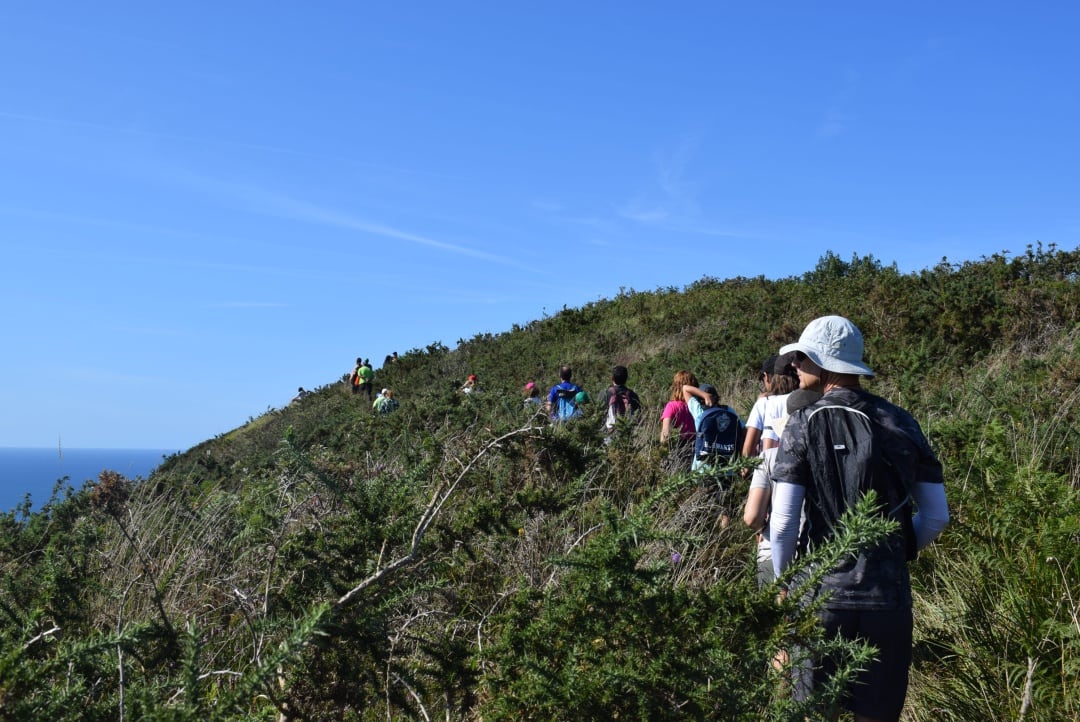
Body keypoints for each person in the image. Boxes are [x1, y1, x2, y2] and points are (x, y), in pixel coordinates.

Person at [769, 316, 950, 722]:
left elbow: (782, 523)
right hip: (888, 599)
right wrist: (893, 553)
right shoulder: (902, 421)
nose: (795, 365)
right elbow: (936, 516)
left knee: (815, 712)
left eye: (802, 358)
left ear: (825, 365)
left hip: (819, 596)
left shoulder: (801, 422)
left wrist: (786, 586)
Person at [743, 388, 821, 586]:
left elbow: (752, 517)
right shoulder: (829, 458)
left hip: (771, 553)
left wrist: (763, 528)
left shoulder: (768, 458)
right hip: (819, 556)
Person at [742, 353, 800, 459]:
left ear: (767, 377)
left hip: (772, 466)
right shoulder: (805, 399)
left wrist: (745, 471)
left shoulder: (764, 403)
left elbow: (749, 449)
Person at [660, 370, 699, 469]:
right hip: (697, 446)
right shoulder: (697, 406)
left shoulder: (672, 406)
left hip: (679, 449)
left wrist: (663, 455)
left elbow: (666, 433)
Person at [600, 365, 641, 435]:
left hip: (609, 432)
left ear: (612, 378)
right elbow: (638, 415)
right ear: (626, 378)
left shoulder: (605, 393)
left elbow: (598, 413)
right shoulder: (633, 395)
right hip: (628, 432)